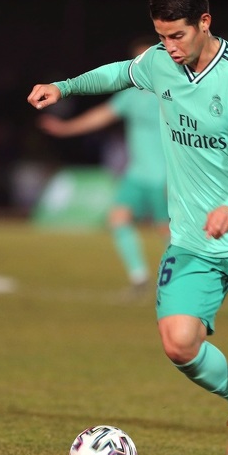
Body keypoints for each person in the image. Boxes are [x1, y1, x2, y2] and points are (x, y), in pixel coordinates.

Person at [28, 0, 228, 455]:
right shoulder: (161, 62)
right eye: (161, 37)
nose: (169, 47)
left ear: (205, 22)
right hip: (192, 239)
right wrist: (62, 87)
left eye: (177, 35)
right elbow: (120, 72)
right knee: (179, 343)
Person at [37, 37, 169, 294]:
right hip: (137, 173)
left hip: (165, 175)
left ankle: (178, 280)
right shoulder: (132, 95)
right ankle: (139, 276)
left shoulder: (170, 94)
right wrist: (66, 128)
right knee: (118, 217)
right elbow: (101, 116)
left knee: (168, 231)